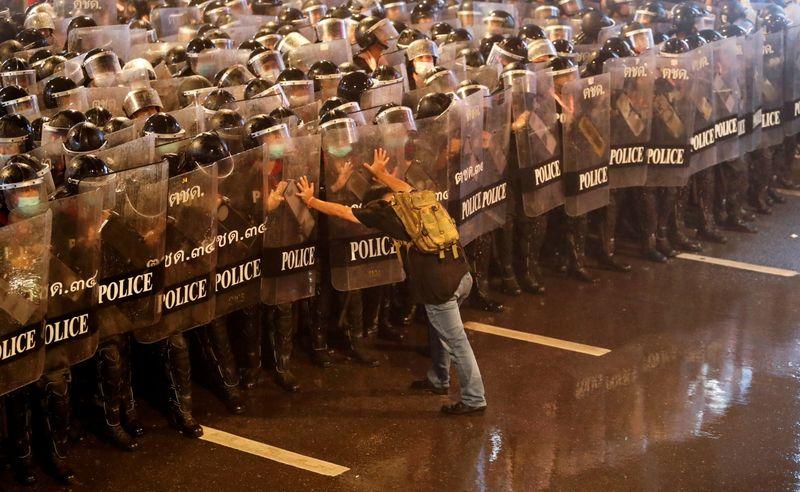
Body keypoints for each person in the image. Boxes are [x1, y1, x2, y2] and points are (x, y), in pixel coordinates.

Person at [296, 148, 487, 415]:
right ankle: (438, 380)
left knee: (456, 341)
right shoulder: (413, 199)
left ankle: (474, 398)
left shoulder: (384, 213)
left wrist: (312, 201)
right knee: (439, 330)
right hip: (461, 273)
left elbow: (344, 212)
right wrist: (382, 174)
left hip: (437, 286)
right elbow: (403, 184)